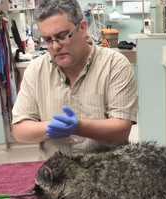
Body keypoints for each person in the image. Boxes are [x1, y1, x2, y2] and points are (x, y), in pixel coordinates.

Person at [12, 0, 138, 160]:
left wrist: (78, 126)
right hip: (55, 172)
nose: (55, 46)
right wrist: (48, 127)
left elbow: (121, 129)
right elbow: (20, 130)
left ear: (83, 28)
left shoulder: (115, 65)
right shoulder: (36, 70)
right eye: (48, 40)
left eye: (62, 36)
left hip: (106, 171)